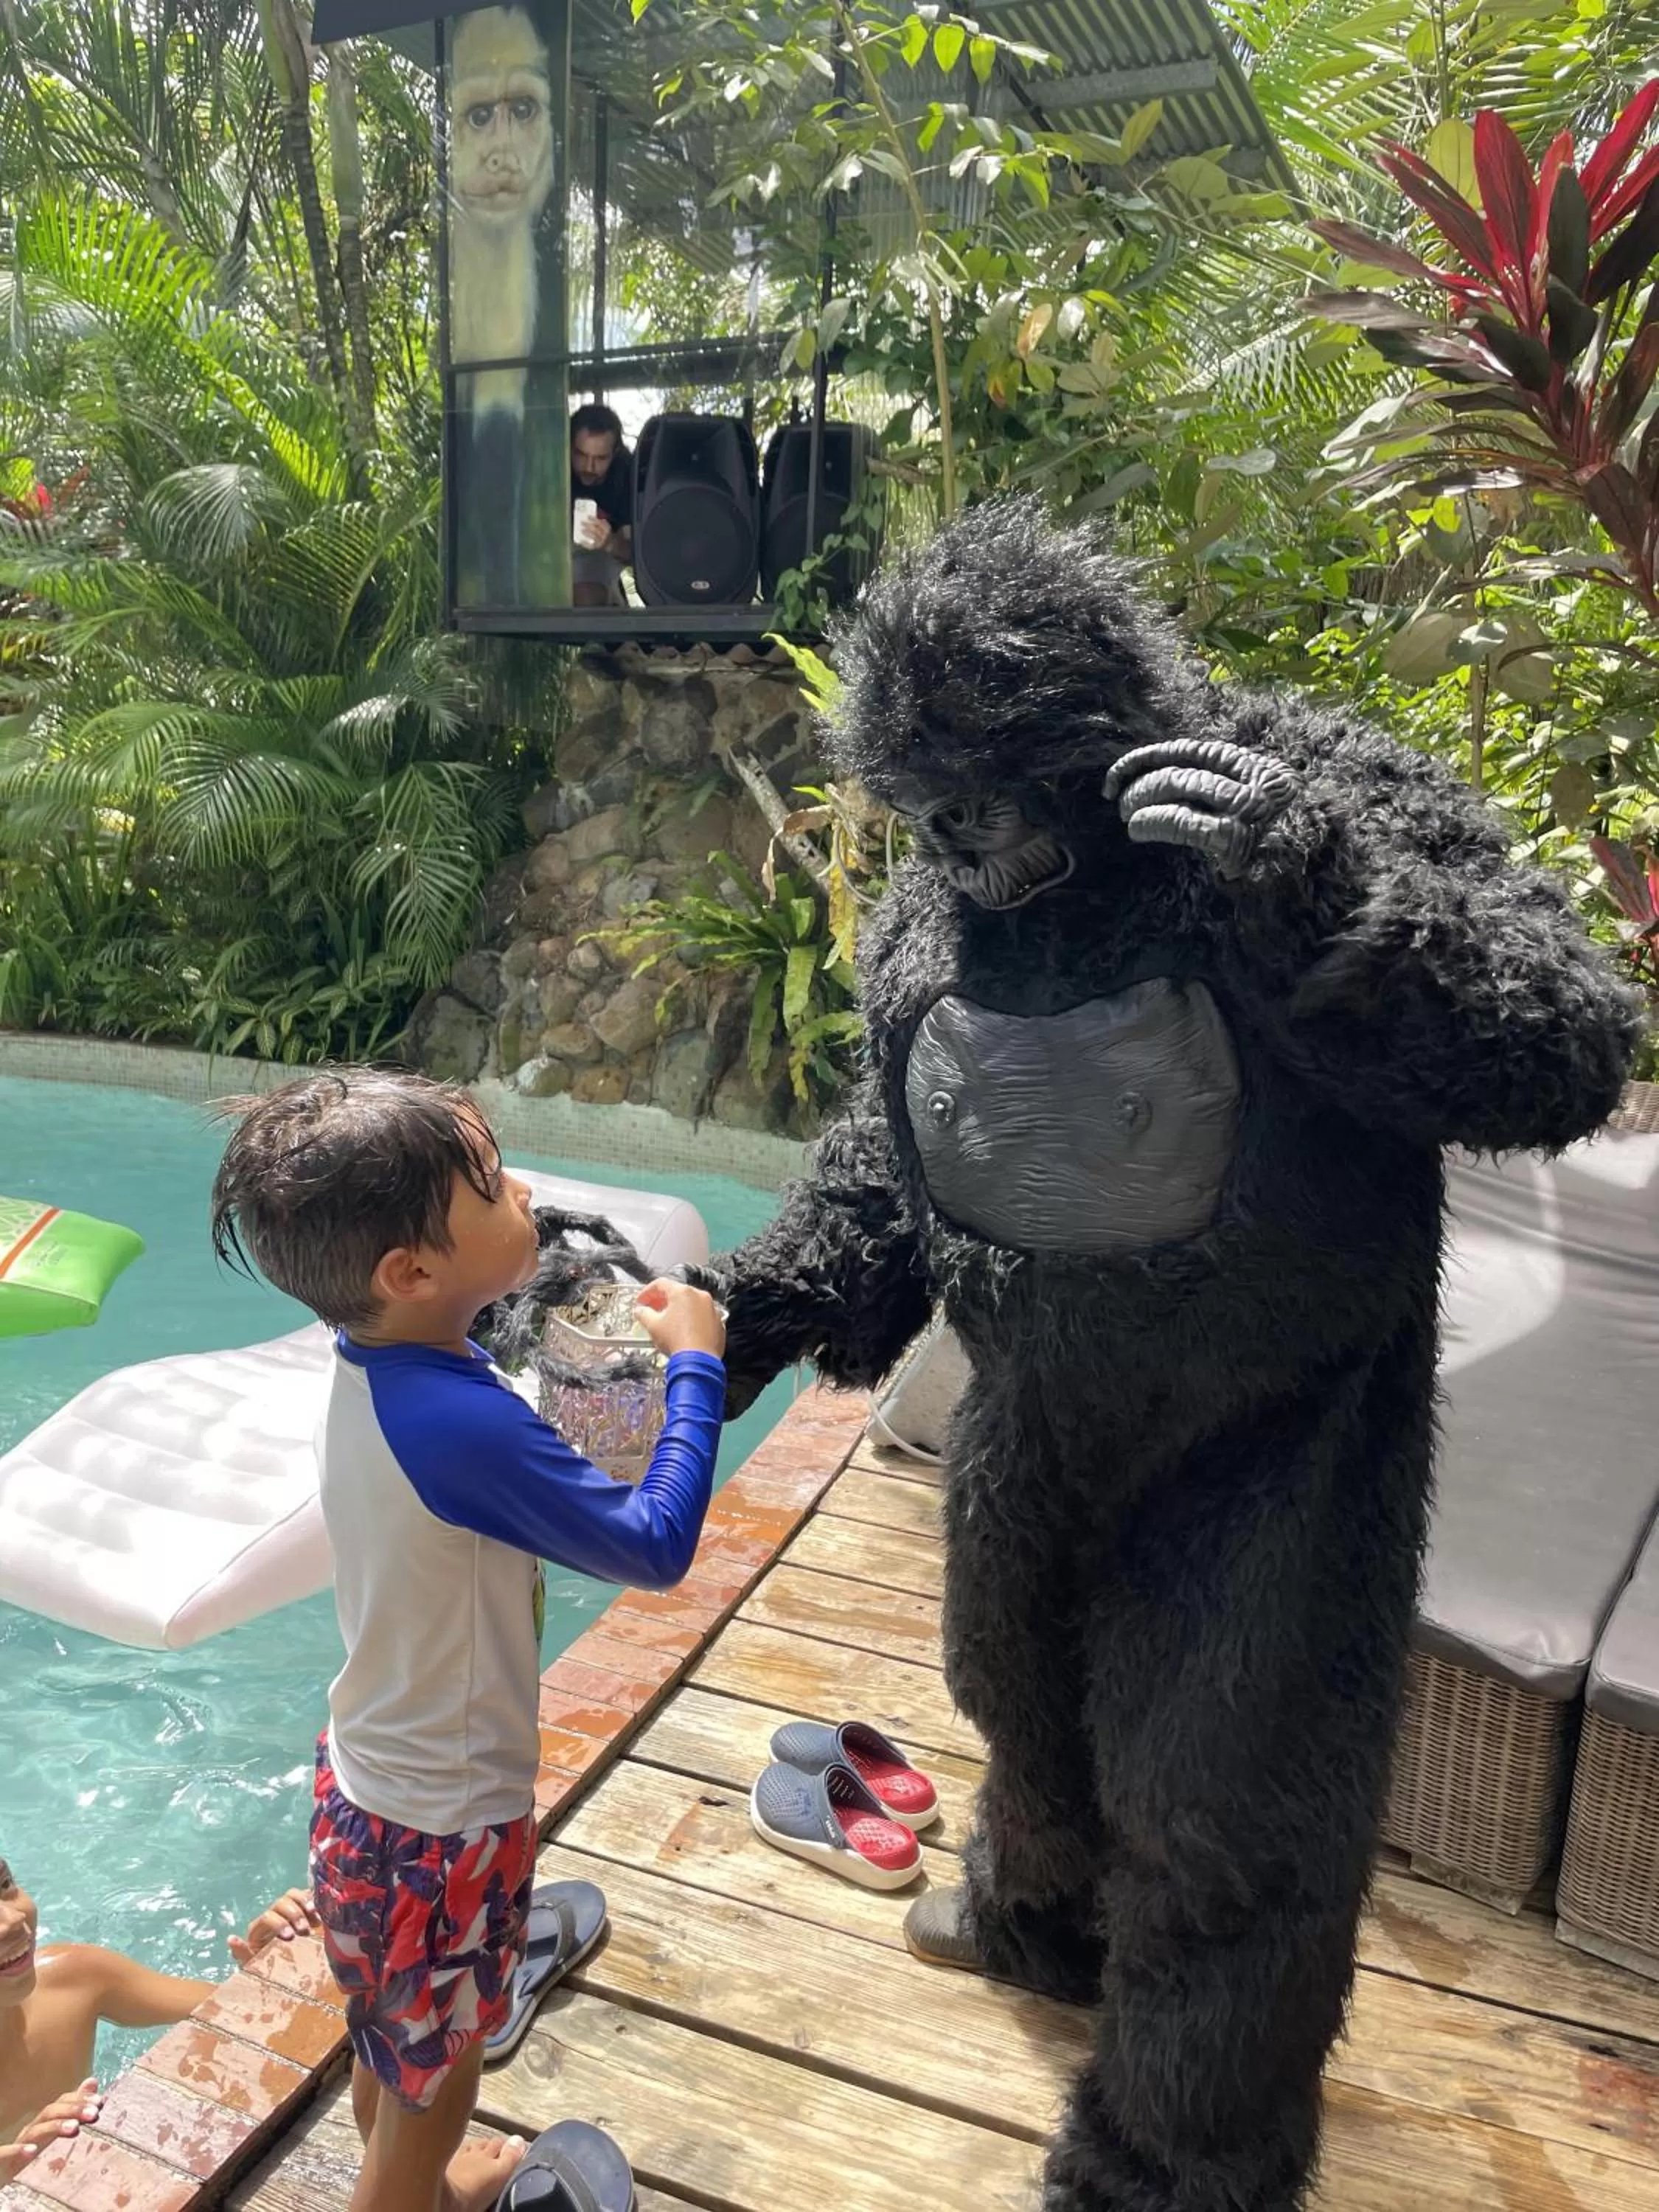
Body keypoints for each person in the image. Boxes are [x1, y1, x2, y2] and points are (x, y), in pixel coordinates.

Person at [209, 1069, 727, 2212]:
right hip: (443, 1826)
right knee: (441, 2078)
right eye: (490, 1187)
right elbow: (652, 1548)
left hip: (367, 1789)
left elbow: (490, 1461)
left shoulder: (380, 1363)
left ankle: (427, 2189)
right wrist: (696, 1363)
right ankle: (413, 2194)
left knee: (396, 2043)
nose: (527, 1190)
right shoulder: (456, 1420)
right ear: (410, 1273)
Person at [0, 1855, 318, 2182]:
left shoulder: (73, 1982)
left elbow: (248, 2014)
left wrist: (268, 1969)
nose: (11, 1921)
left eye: (5, 1884)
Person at [569, 402, 633, 608]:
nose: (589, 467)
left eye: (601, 459)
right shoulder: (551, 465)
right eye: (580, 455)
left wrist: (611, 543)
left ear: (615, 454)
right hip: (548, 555)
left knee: (586, 596)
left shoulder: (627, 477)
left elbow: (637, 555)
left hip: (602, 556)